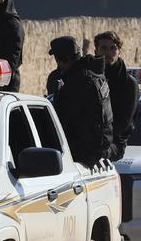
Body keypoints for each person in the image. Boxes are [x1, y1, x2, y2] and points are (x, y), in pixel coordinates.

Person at [48, 36, 113, 166]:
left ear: (61, 60)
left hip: (81, 155)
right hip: (96, 149)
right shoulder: (92, 75)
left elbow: (66, 120)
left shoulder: (77, 82)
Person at [94, 31, 139, 160]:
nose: (108, 52)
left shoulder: (128, 84)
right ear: (96, 51)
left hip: (114, 143)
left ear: (119, 52)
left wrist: (101, 138)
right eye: (104, 48)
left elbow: (123, 123)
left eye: (113, 48)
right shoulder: (89, 78)